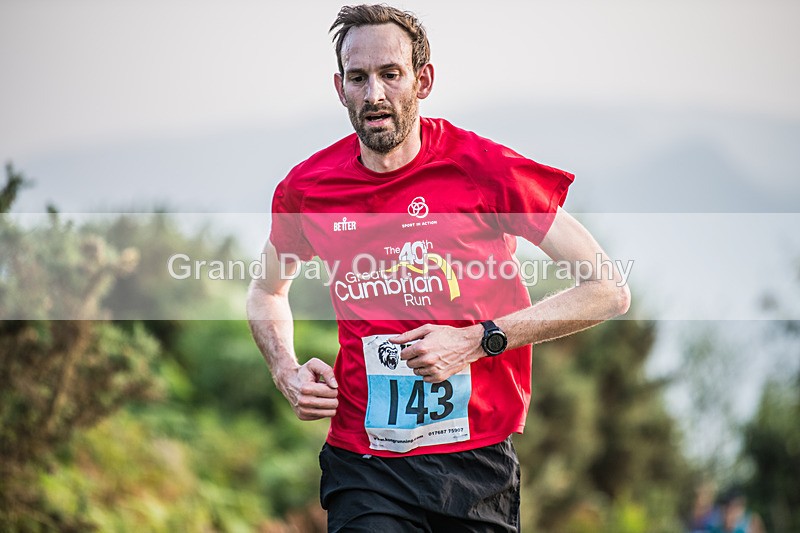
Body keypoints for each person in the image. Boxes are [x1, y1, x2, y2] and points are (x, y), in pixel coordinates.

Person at [247, 4, 631, 531]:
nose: (374, 95)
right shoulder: (308, 189)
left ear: (423, 80)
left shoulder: (483, 169)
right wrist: (286, 370)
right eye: (358, 78)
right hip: (366, 464)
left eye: (390, 74)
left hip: (476, 467)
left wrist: (478, 340)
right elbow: (267, 291)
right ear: (340, 89)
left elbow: (607, 290)